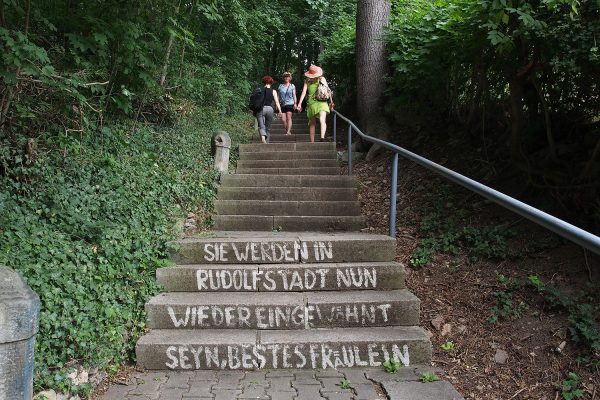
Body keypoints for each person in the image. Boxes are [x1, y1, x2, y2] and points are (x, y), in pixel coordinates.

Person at [296, 65, 334, 142]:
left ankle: (312, 143)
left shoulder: (307, 80)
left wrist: (299, 104)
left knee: (312, 123)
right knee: (322, 120)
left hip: (311, 102)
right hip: (322, 102)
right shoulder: (322, 78)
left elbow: (303, 92)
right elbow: (328, 90)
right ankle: (322, 137)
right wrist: (331, 102)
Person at [256, 75, 283, 143]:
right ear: (271, 82)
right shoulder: (273, 91)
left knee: (261, 126)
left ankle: (263, 136)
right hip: (270, 109)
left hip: (261, 109)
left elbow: (256, 101)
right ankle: (267, 142)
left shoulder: (259, 90)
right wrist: (280, 111)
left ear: (263, 82)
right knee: (268, 128)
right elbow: (277, 102)